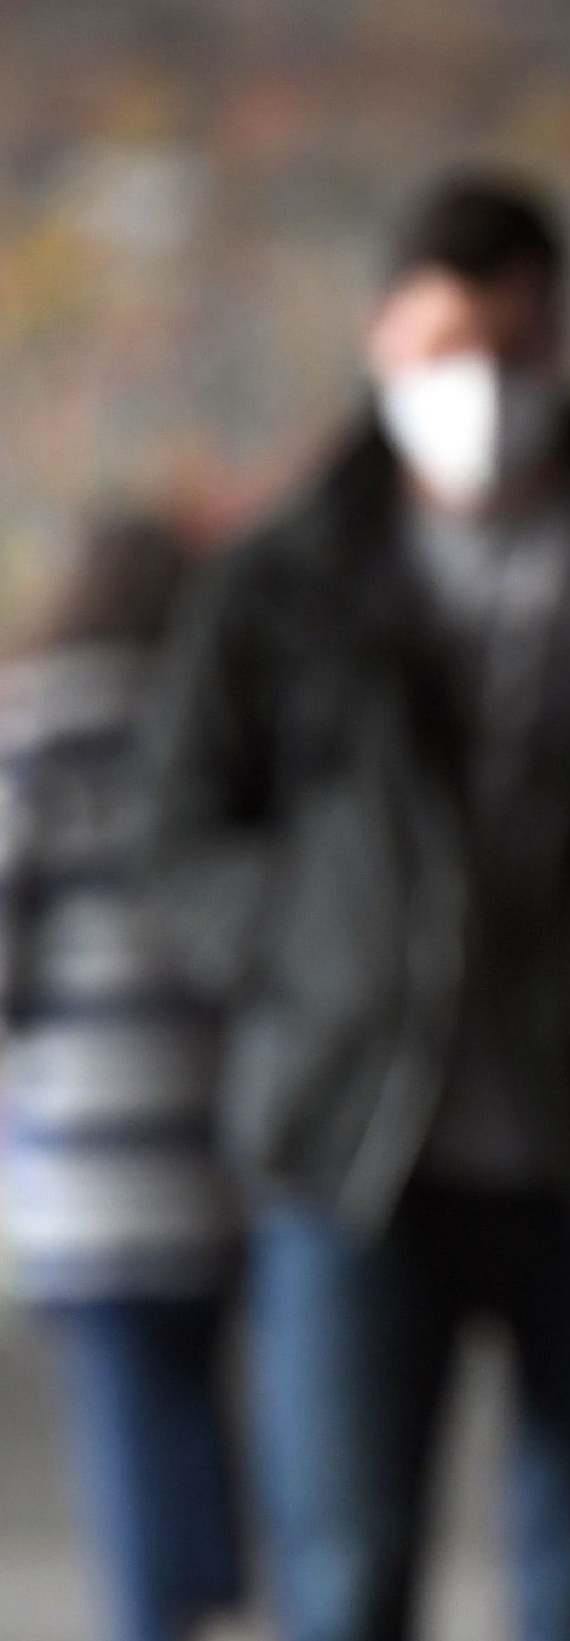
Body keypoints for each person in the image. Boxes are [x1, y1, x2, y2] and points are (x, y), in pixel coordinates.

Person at [142, 172, 570, 1641]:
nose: (479, 391)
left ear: (562, 342)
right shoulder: (285, 577)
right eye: (443, 352)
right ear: (379, 340)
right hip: (348, 1147)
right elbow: (182, 832)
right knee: (341, 1578)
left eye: (512, 354)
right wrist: (310, 952)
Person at [0, 513, 245, 1641]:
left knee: (124, 1403)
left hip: (91, 1141)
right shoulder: (226, 732)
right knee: (194, 1393)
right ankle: (207, 1579)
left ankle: (163, 1609)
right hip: (223, 1132)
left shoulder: (35, 736)